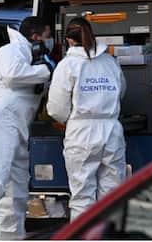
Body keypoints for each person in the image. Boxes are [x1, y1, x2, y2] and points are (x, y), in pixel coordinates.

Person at [0, 16, 53, 241]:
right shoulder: (10, 51)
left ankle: (12, 237)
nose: (50, 40)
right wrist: (46, 71)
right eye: (48, 35)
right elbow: (13, 74)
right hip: (2, 121)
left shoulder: (33, 58)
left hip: (17, 125)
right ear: (35, 36)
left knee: (16, 188)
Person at [46, 17, 126, 220]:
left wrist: (69, 120)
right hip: (111, 129)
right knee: (113, 195)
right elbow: (121, 91)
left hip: (81, 131)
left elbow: (56, 108)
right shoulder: (110, 62)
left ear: (69, 40)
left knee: (82, 197)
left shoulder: (67, 65)